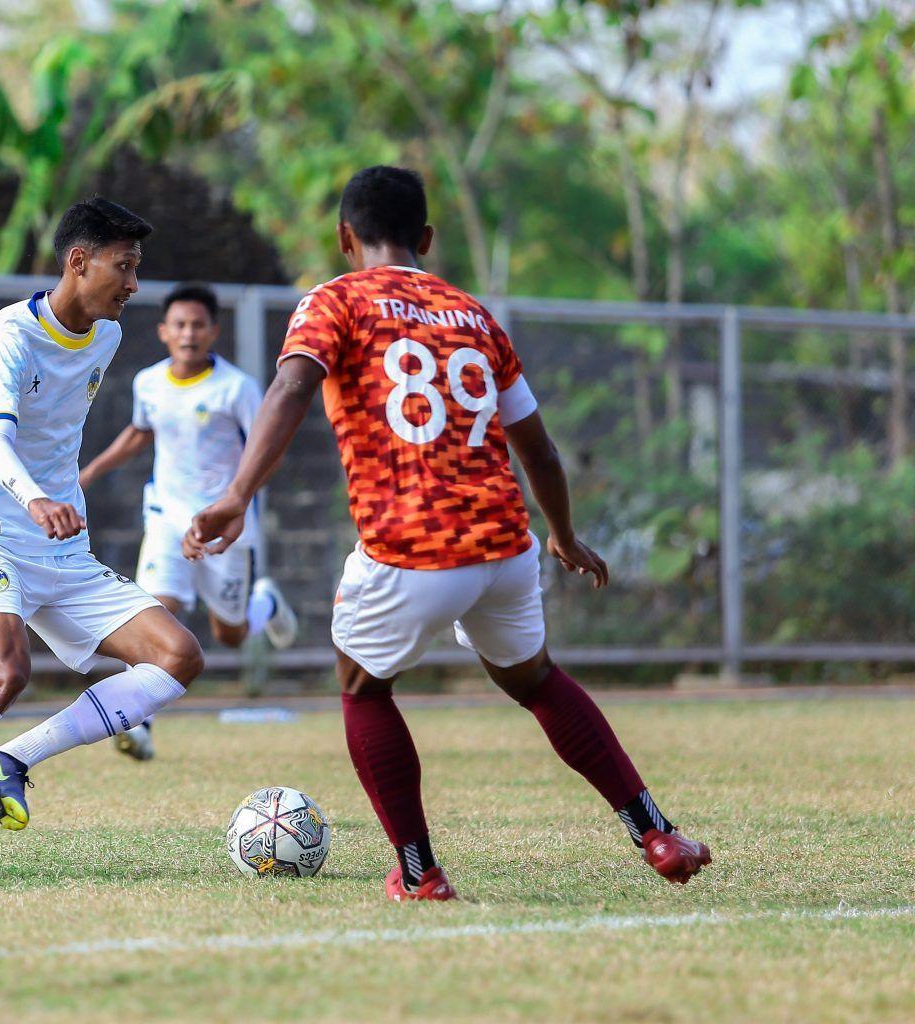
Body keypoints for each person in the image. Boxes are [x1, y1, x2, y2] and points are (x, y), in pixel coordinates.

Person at [186, 166, 711, 902]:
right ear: (426, 239)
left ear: (345, 238)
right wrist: (561, 533)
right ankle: (655, 830)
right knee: (536, 681)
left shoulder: (332, 300)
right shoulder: (473, 313)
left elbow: (292, 387)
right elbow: (541, 450)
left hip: (411, 547)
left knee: (363, 689)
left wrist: (237, 493)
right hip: (504, 543)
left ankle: (417, 873)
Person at [0, 198, 205, 887]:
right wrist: (36, 499)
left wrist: (56, 505)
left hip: (62, 551)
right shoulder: (6, 336)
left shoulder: (105, 336)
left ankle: (13, 760)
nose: (133, 284)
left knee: (178, 656)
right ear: (78, 262)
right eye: (124, 266)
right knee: (2, 674)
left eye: (136, 268)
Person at [79, 282, 297, 761]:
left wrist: (237, 502)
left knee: (230, 634)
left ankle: (264, 604)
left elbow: (268, 448)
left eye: (198, 324)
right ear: (163, 331)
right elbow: (141, 432)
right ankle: (140, 722)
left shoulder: (236, 387)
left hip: (224, 526)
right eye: (179, 324)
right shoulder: (149, 383)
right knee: (157, 616)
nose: (189, 333)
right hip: (166, 519)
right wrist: (91, 471)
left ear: (214, 330)